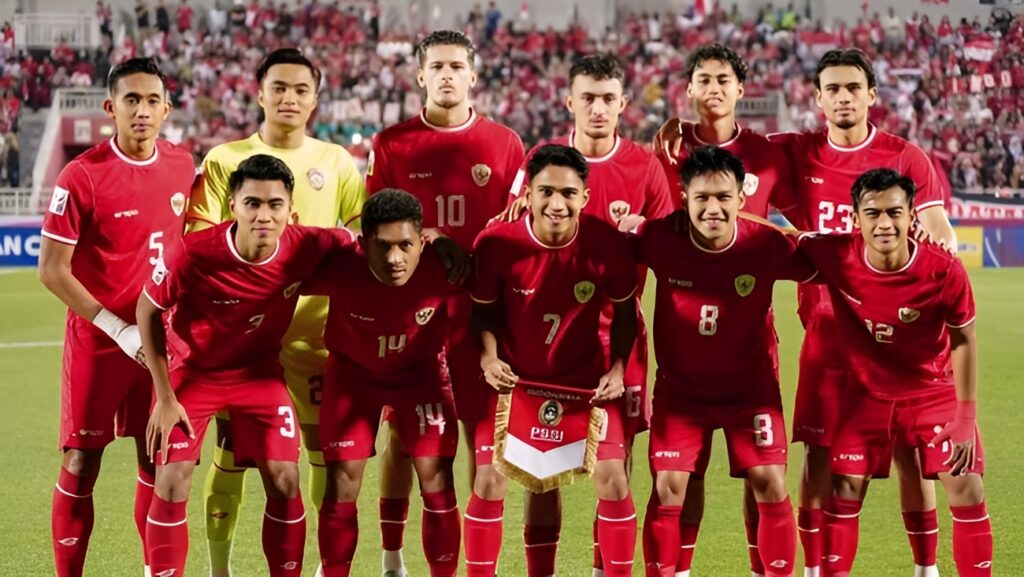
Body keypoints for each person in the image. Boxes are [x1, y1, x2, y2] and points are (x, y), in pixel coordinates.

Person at [656, 48, 957, 577]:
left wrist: (935, 249)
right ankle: (817, 569)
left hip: (894, 339)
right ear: (816, 99)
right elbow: (721, 155)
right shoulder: (793, 152)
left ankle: (926, 568)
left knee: (912, 457)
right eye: (832, 89)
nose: (843, 98)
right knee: (815, 456)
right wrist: (686, 124)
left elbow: (938, 231)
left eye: (852, 88)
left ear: (872, 95)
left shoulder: (903, 157)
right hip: (825, 331)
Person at [187, 47, 365, 577]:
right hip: (239, 346)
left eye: (300, 89)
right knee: (232, 460)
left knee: (317, 459)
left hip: (314, 340)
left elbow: (358, 243)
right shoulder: (223, 160)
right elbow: (200, 246)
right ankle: (220, 567)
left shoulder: (336, 162)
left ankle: (314, 567)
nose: (289, 98)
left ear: (315, 98)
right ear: (259, 92)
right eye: (279, 88)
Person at [138, 154, 353, 577]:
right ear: (233, 206)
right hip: (193, 373)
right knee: (172, 478)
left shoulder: (307, 245)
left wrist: (430, 238)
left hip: (258, 374)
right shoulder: (193, 252)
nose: (263, 214)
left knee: (286, 478)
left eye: (274, 205)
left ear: (291, 212)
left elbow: (361, 241)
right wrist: (164, 396)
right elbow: (147, 308)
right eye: (252, 203)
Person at [500, 52, 673, 577]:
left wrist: (643, 227)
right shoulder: (541, 159)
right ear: (569, 101)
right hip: (542, 347)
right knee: (540, 476)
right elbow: (509, 231)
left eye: (607, 99)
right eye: (587, 98)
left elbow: (670, 246)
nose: (597, 108)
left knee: (613, 473)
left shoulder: (644, 166)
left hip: (614, 345)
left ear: (623, 104)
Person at [365, 29, 523, 577]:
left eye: (457, 65)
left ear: (474, 75)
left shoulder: (505, 144)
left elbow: (518, 234)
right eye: (437, 66)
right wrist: (428, 234)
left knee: (488, 453)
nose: (448, 74)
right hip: (412, 320)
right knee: (405, 445)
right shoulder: (392, 144)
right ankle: (391, 561)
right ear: (420, 76)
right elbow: (373, 230)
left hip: (483, 321)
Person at [38, 57, 195, 577]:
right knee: (82, 463)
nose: (143, 110)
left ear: (167, 109)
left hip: (159, 344)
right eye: (132, 100)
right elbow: (52, 270)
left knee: (157, 461)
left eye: (153, 101)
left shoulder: (183, 165)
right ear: (111, 108)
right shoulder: (81, 175)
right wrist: (115, 325)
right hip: (100, 342)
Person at [797, 168, 992, 576]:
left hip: (932, 392)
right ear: (855, 218)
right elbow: (767, 246)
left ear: (911, 217)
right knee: (842, 489)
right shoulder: (834, 253)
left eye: (894, 213)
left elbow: (964, 340)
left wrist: (965, 417)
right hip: (866, 396)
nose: (884, 223)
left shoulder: (943, 269)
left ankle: (928, 571)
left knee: (968, 488)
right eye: (873, 214)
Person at [653, 43, 798, 577]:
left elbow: (809, 236)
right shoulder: (666, 149)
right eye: (703, 80)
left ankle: (766, 567)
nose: (713, 89)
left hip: (750, 342)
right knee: (679, 479)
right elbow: (642, 226)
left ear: (742, 90)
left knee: (761, 475)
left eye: (724, 80)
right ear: (688, 89)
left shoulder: (768, 154)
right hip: (684, 343)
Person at [637, 146, 814, 577]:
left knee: (770, 483)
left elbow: (835, 262)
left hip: (750, 389)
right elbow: (598, 247)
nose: (712, 208)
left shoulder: (769, 244)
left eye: (723, 198)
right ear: (684, 197)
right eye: (702, 198)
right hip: (681, 391)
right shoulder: (659, 239)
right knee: (671, 486)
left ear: (740, 199)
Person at [467, 144, 639, 577]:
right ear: (527, 194)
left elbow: (624, 315)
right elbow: (482, 314)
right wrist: (489, 358)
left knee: (614, 479)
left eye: (567, 193)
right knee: (492, 481)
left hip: (584, 383)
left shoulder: (608, 246)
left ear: (584, 196)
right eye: (545, 191)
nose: (556, 204)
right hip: (516, 384)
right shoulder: (495, 244)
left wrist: (618, 368)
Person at [309, 189, 462, 576]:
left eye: (405, 245)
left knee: (437, 477)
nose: (395, 259)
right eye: (383, 246)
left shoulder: (446, 264)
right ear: (363, 244)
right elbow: (274, 273)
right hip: (353, 377)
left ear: (422, 240)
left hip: (421, 375)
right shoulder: (339, 266)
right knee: (342, 480)